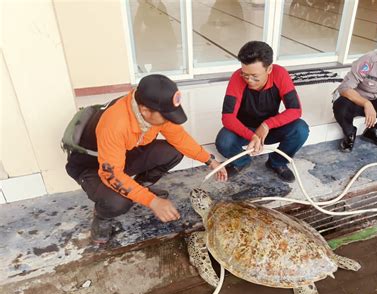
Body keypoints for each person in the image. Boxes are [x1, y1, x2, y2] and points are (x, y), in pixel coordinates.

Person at [65, 74, 227, 244]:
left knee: (173, 152)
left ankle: (139, 189)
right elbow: (110, 174)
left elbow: (180, 139)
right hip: (92, 167)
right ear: (145, 110)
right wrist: (152, 201)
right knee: (118, 201)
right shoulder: (115, 124)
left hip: (123, 155)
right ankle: (102, 217)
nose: (169, 120)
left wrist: (210, 160)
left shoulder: (156, 110)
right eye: (166, 116)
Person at [215, 41, 309, 183]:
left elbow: (295, 110)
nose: (249, 80)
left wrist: (266, 125)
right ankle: (242, 161)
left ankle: (276, 162)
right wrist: (252, 136)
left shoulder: (280, 74)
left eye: (254, 76)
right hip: (245, 129)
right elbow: (227, 117)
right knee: (223, 140)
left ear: (269, 69)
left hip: (270, 130)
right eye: (245, 75)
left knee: (300, 129)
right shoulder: (237, 77)